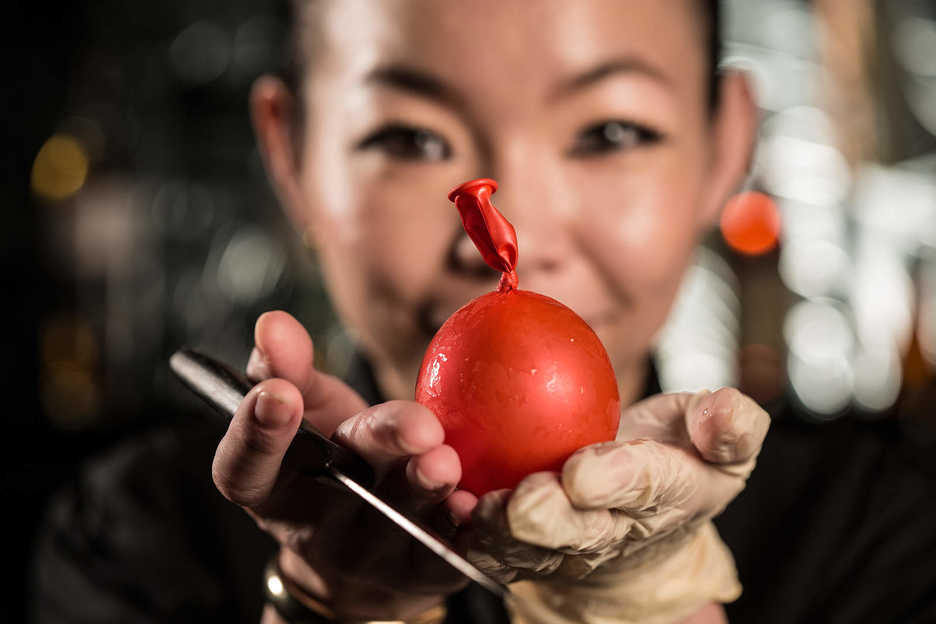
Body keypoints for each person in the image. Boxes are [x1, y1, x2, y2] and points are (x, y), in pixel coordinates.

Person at [31, 1, 936, 623]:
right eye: (410, 137)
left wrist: (653, 601)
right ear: (291, 152)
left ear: (727, 143)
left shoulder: (879, 535)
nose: (516, 236)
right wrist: (322, 601)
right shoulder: (136, 535)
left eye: (611, 131)